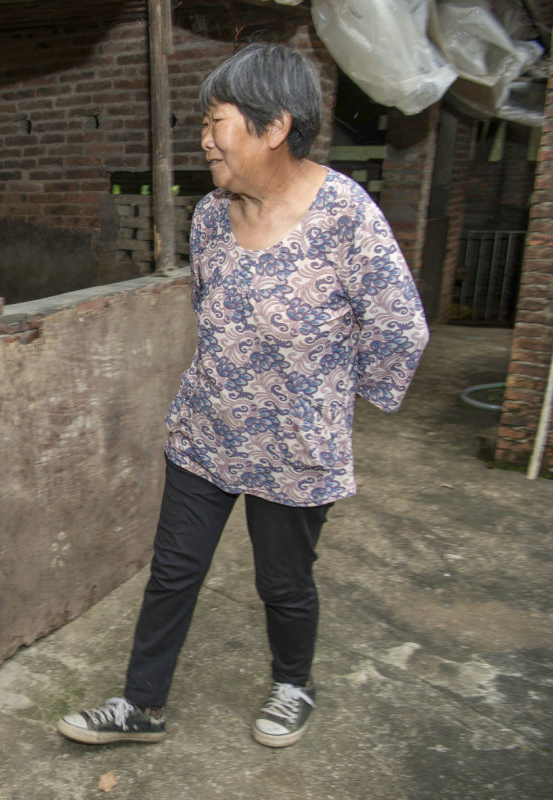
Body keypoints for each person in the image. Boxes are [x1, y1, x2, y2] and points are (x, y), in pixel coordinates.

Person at [56, 43, 430, 749]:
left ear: (274, 126)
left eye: (216, 121)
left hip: (294, 449)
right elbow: (212, 308)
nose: (204, 138)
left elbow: (399, 326)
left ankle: (293, 685)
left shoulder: (344, 214)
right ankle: (142, 704)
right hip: (205, 429)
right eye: (202, 123)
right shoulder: (207, 216)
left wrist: (333, 402)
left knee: (283, 583)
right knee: (172, 572)